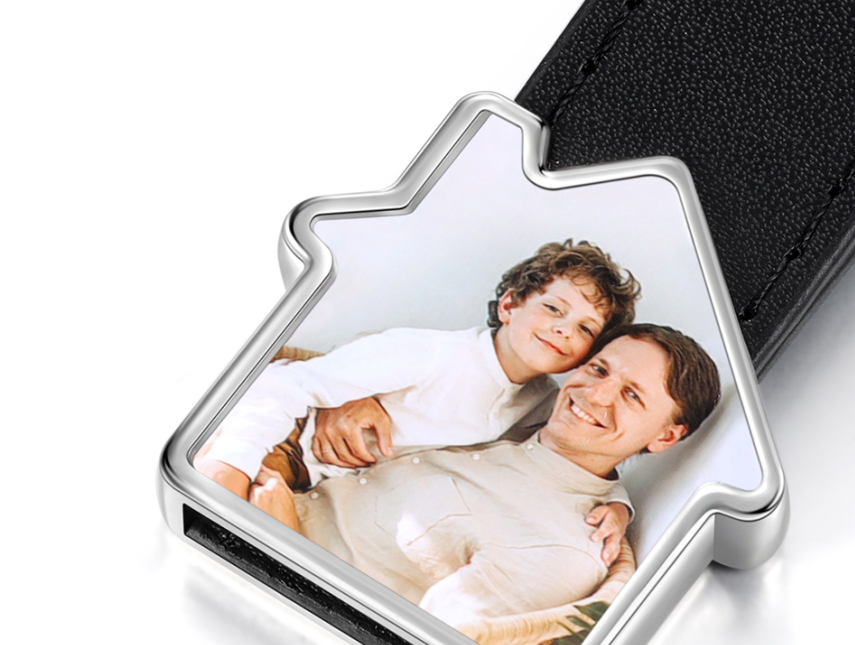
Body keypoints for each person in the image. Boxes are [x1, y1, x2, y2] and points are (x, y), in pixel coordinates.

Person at [247, 324, 720, 645]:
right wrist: (356, 395)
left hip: (274, 575)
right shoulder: (516, 412)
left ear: (665, 437)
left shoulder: (563, 549)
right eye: (598, 369)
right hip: (275, 476)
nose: (595, 394)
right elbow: (409, 356)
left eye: (632, 396)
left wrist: (284, 540)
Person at [198, 240, 641, 560]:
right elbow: (288, 386)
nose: (564, 330)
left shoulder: (544, 402)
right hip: (287, 436)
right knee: (223, 523)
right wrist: (231, 464)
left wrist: (619, 505)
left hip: (327, 486)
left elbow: (577, 456)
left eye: (585, 329)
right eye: (554, 309)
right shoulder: (433, 355)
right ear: (509, 306)